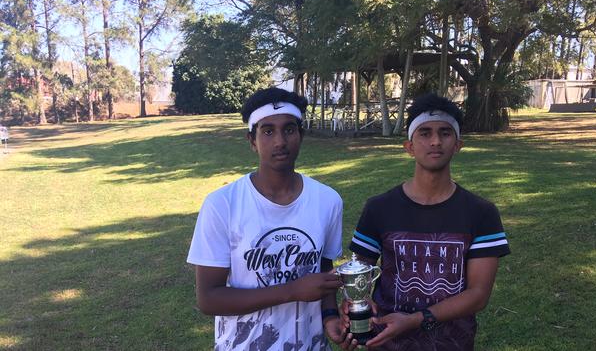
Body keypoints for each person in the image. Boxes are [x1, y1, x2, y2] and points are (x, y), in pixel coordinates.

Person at [341, 93, 510, 350]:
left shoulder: (481, 213)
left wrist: (416, 320)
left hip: (452, 343)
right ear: (409, 146)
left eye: (445, 133)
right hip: (388, 343)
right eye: (424, 133)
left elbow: (478, 295)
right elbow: (359, 274)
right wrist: (354, 308)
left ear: (457, 144)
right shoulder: (379, 208)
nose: (435, 141)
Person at [187, 87, 351, 350]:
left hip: (310, 344)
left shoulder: (327, 200)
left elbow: (324, 270)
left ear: (301, 134)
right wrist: (292, 291)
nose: (280, 141)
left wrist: (330, 317)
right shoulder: (222, 204)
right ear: (252, 140)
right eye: (267, 131)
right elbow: (208, 298)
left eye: (289, 129)